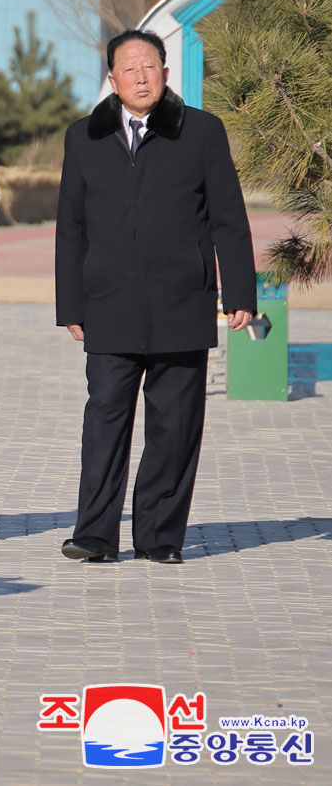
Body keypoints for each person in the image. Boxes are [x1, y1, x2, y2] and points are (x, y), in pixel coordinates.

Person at [56, 29, 255, 565]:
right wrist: (70, 305)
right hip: (109, 305)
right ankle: (95, 533)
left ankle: (159, 536)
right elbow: (70, 226)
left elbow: (229, 218)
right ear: (113, 80)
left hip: (182, 303)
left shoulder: (202, 132)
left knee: (175, 426)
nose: (142, 76)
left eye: (151, 66)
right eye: (130, 68)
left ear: (167, 73)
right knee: (104, 421)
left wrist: (240, 291)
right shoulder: (84, 137)